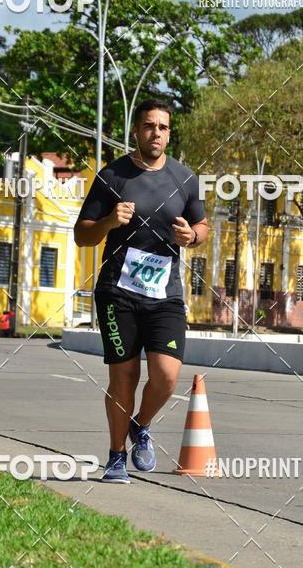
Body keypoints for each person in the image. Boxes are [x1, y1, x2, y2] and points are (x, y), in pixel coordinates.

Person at [74, 98, 208, 483]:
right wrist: (108, 222)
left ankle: (141, 425)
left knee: (167, 375)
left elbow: (202, 226)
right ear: (136, 131)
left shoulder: (184, 178)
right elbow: (82, 235)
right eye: (149, 126)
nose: (156, 133)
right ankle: (117, 456)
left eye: (163, 127)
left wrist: (193, 237)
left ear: (169, 133)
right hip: (118, 294)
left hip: (165, 294)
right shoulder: (112, 176)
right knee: (124, 377)